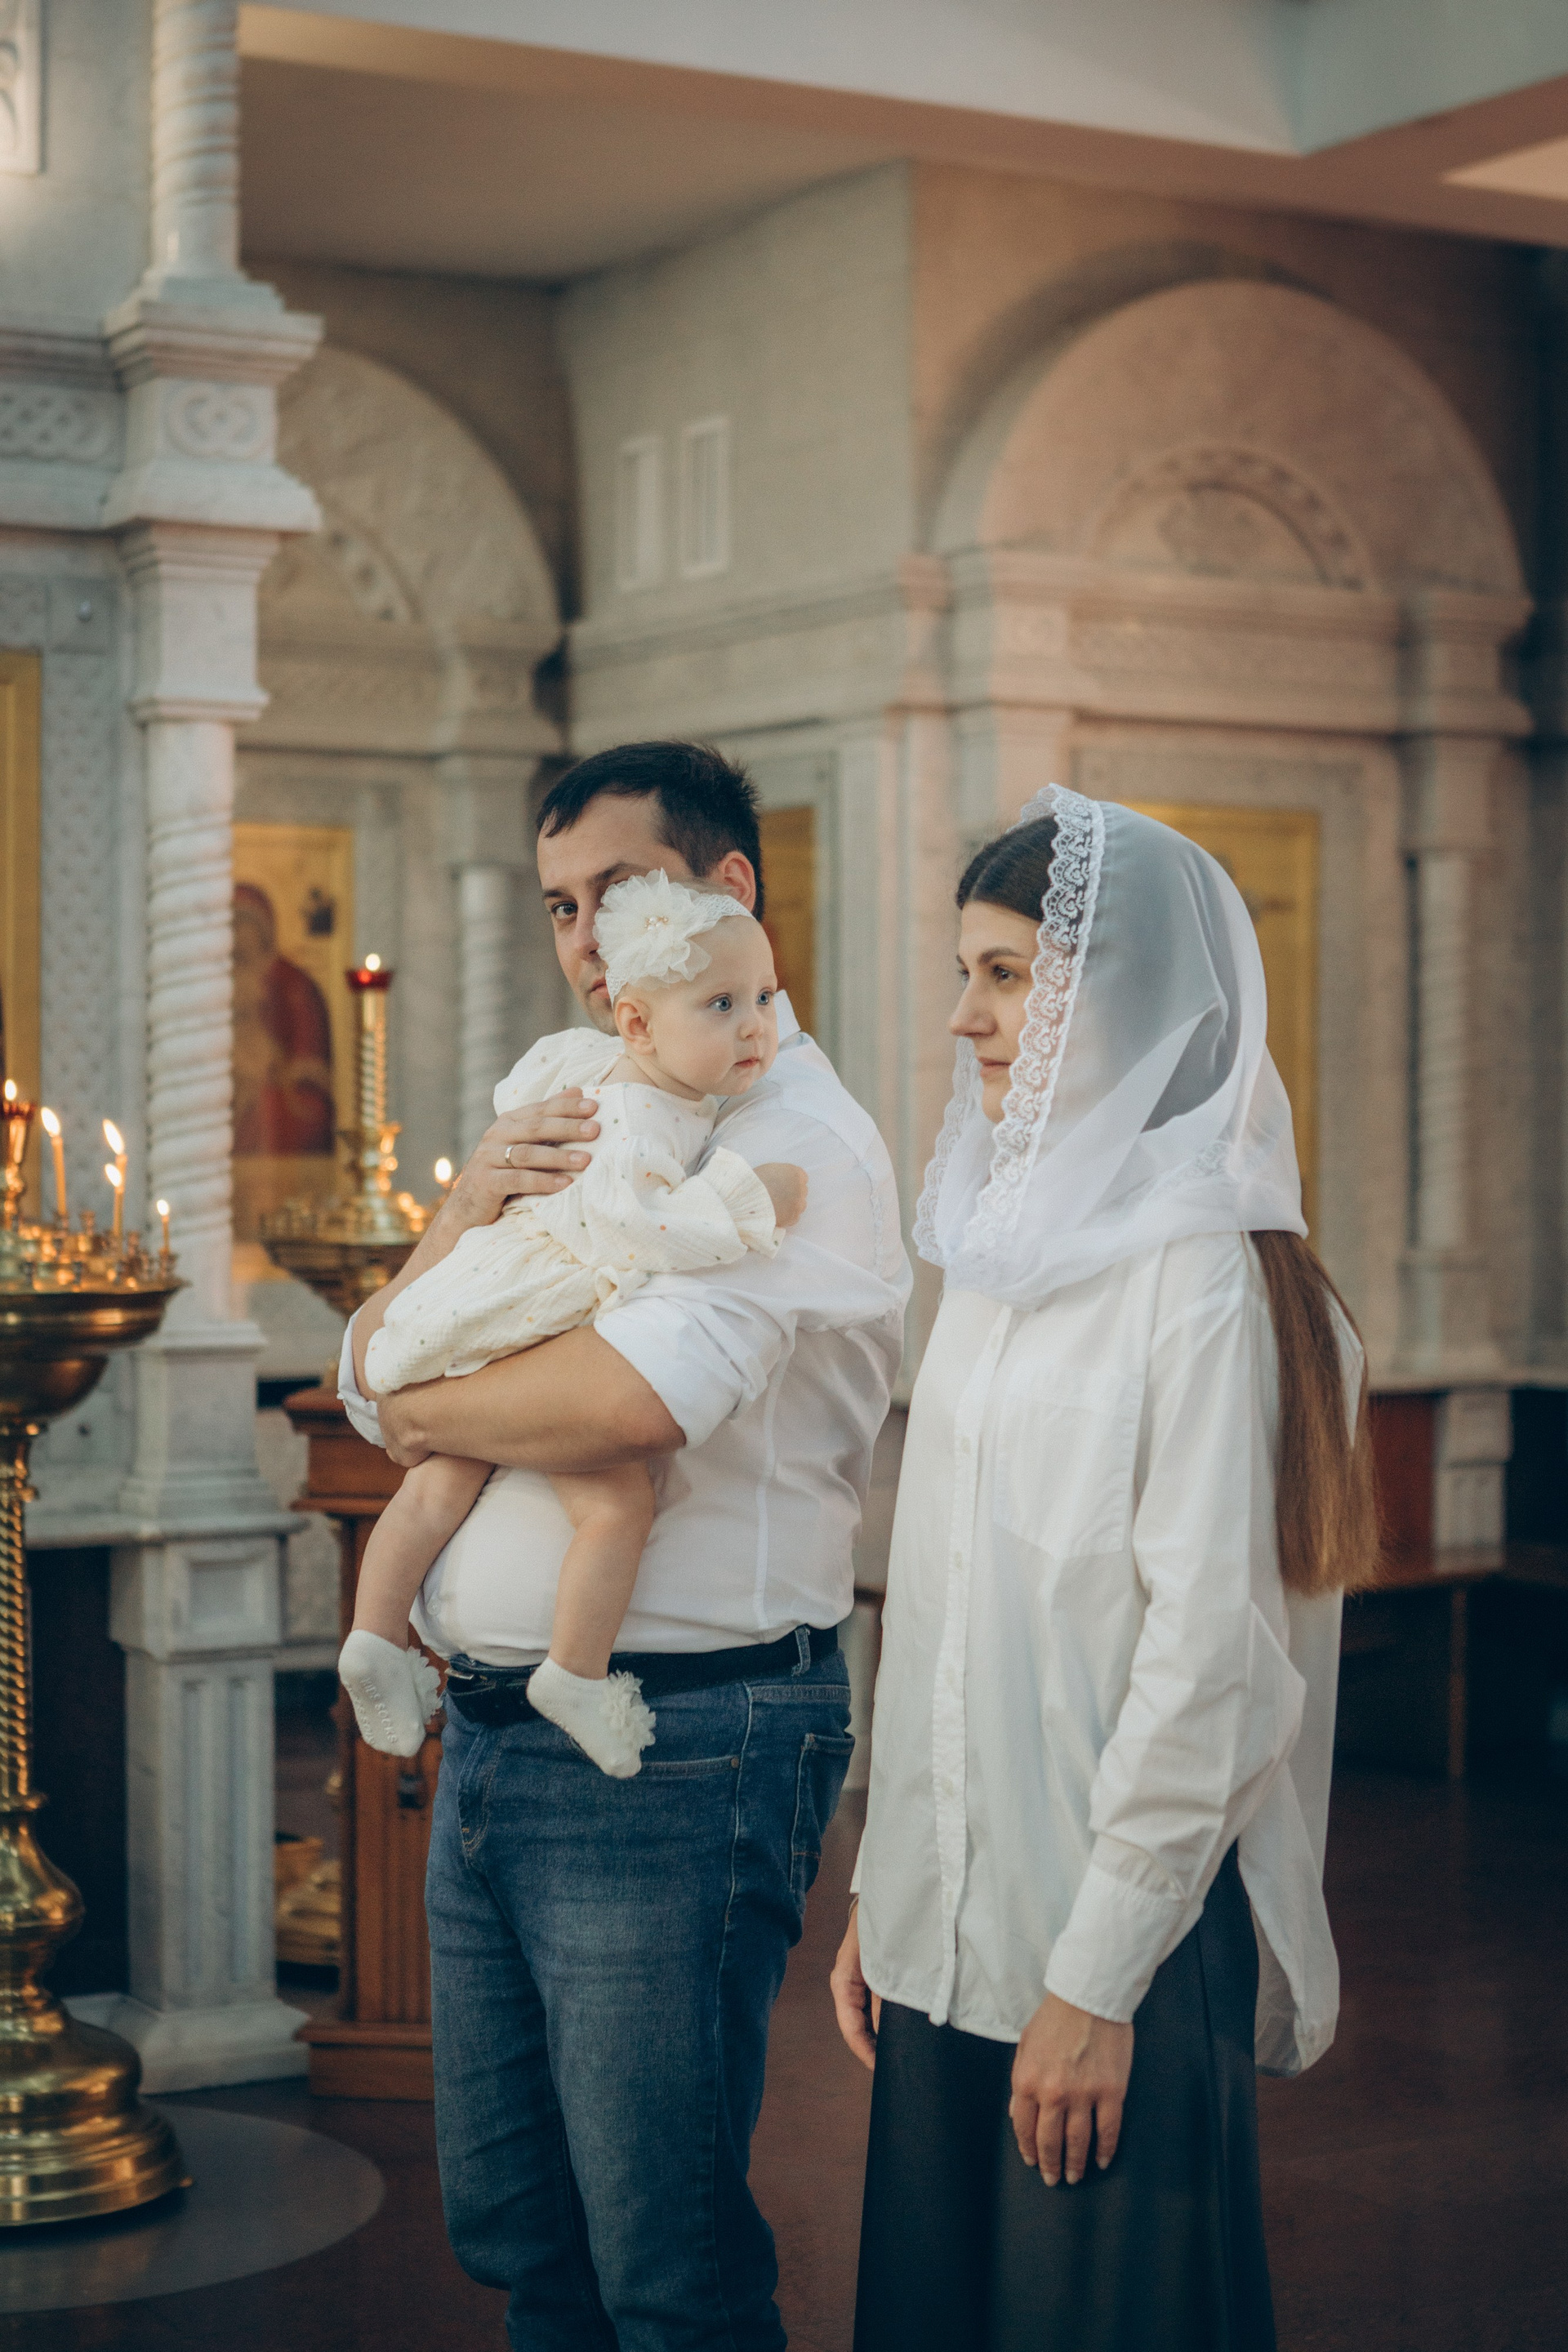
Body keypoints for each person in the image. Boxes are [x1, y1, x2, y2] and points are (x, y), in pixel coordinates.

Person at [340, 741, 910, 2352]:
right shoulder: (588, 1095)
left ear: (728, 888)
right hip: (492, 1728)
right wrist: (461, 1213)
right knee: (524, 2233)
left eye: (617, 891)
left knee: (665, 2268)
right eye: (559, 905)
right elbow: (364, 1372)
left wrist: (419, 1391)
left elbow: (625, 1404)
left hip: (678, 1746)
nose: (586, 939)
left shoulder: (800, 1144)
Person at [831, 786, 1379, 2352]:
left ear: (1131, 999)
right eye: (966, 973)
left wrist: (1096, 1983)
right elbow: (943, 1618)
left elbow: (1214, 1671)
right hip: (954, 1921)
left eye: (1008, 976)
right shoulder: (997, 1260)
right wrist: (888, 1887)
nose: (965, 1017)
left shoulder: (1204, 1283)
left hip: (1112, 1947)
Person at [338, 874, 809, 1775]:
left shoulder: (589, 1065)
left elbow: (524, 1084)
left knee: (437, 1482)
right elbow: (645, 1228)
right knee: (618, 1504)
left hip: (483, 1294)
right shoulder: (640, 1114)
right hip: (542, 1311)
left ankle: (372, 1637)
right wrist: (752, 1197)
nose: (756, 1026)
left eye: (764, 996)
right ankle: (577, 1673)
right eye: (721, 1005)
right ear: (638, 1025)